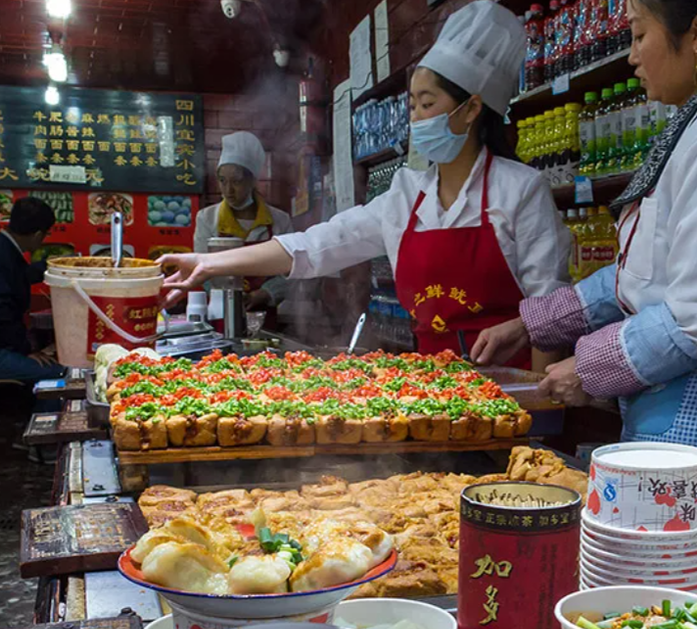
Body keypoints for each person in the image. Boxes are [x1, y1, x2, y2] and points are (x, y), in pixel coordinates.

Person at [472, 0, 697, 541]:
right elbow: (640, 278)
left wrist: (586, 368)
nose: (631, 56)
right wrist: (532, 324)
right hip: (676, 423)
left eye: (638, 35)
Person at [161, 1, 570, 370]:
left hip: (513, 390)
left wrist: (540, 408)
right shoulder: (407, 193)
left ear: (471, 110)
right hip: (436, 390)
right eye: (412, 105)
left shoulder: (521, 189)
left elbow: (548, 310)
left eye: (428, 104)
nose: (416, 119)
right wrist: (209, 263)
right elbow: (318, 246)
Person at [0, 197, 65, 382]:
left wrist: (56, 265)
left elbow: (22, 275)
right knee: (57, 374)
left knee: (55, 364)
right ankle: (47, 412)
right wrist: (25, 350)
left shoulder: (2, 247)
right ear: (38, 235)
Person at [193, 131, 294, 311]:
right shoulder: (206, 218)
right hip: (221, 309)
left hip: (265, 311)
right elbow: (202, 269)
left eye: (237, 181)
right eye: (222, 181)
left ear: (252, 181)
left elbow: (291, 270)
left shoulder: (279, 220)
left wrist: (264, 294)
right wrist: (228, 296)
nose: (228, 190)